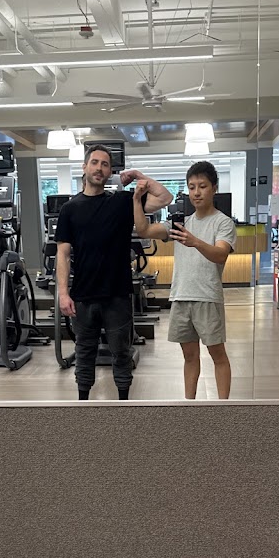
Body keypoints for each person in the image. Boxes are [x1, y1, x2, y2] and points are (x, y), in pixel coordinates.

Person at [55, 145, 173, 400]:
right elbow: (62, 254)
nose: (99, 168)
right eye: (95, 162)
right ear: (84, 167)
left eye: (105, 164)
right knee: (84, 354)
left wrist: (139, 176)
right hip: (84, 295)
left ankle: (123, 405)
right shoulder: (69, 209)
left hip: (117, 294)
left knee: (121, 353)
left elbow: (165, 197)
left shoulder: (122, 202)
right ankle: (83, 405)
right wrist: (63, 293)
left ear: (111, 172)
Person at [133, 160, 236, 399]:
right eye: (192, 187)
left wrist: (195, 242)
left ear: (214, 188)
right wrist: (137, 199)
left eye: (202, 186)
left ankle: (224, 409)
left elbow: (221, 254)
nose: (196, 192)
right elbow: (144, 230)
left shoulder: (223, 222)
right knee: (189, 357)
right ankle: (189, 405)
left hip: (207, 297)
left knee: (218, 355)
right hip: (181, 297)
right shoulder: (181, 224)